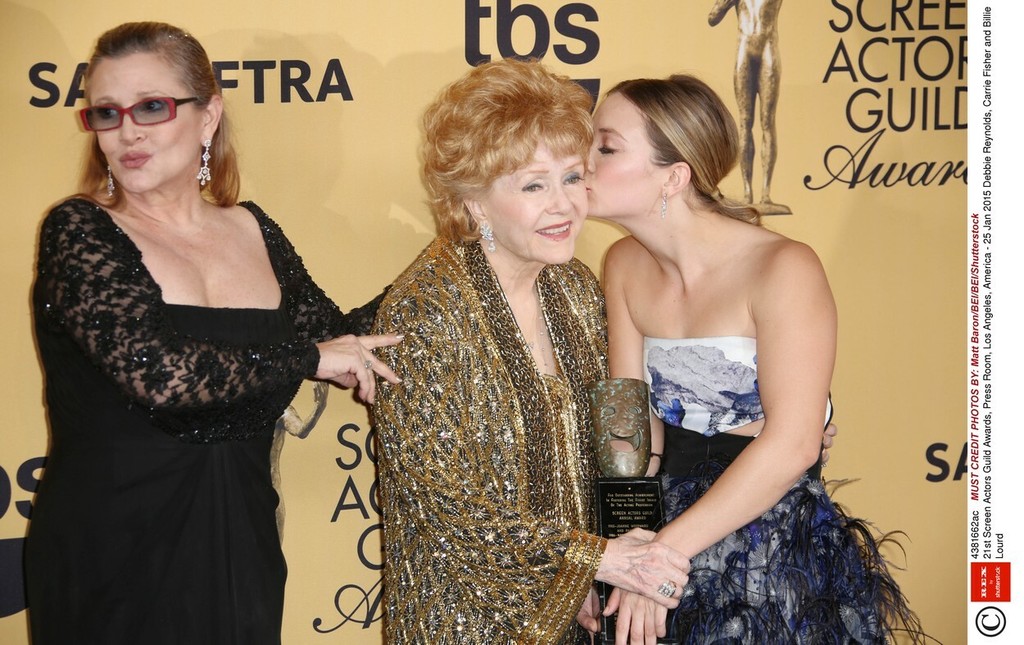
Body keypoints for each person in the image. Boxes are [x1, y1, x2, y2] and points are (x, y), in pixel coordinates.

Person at [25, 22, 400, 645]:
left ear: (209, 117)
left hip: (241, 544)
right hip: (112, 555)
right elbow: (161, 373)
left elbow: (341, 338)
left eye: (152, 106)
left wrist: (465, 263)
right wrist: (307, 357)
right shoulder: (79, 230)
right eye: (107, 113)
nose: (128, 132)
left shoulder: (252, 228)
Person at [586, 74, 923, 643]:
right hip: (664, 534)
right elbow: (631, 439)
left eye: (606, 147)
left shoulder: (783, 267)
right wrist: (624, 555)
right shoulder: (622, 263)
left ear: (674, 176)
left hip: (768, 539)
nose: (584, 160)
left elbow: (794, 444)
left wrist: (660, 555)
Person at [370, 58, 692, 644]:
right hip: (465, 622)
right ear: (475, 201)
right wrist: (599, 561)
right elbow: (447, 509)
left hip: (580, 615)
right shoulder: (423, 311)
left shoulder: (575, 287)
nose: (563, 205)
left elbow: (624, 434)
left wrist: (607, 572)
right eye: (533, 185)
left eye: (572, 177)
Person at [709, 0, 791, 214]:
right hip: (744, 49)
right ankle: (747, 193)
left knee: (767, 122)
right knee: (745, 122)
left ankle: (765, 193)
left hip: (768, 48)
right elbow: (712, 18)